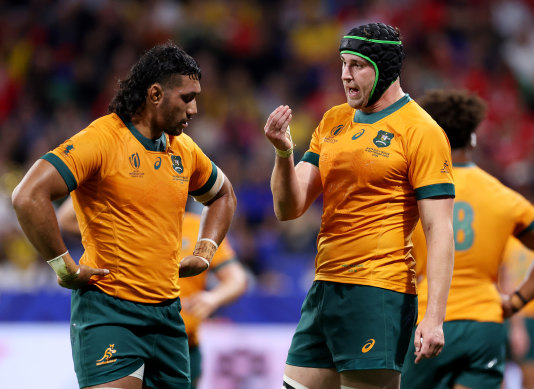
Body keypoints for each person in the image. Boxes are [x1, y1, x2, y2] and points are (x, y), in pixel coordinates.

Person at [11, 42, 237, 389]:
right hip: (110, 311)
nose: (194, 109)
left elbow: (223, 195)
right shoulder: (101, 140)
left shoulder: (184, 150)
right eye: (187, 97)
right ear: (156, 94)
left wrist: (205, 251)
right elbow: (28, 195)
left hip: (168, 316)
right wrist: (64, 267)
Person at [264, 23, 456, 389]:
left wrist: (434, 317)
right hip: (325, 288)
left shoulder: (421, 130)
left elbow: (439, 228)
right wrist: (283, 152)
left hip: (378, 291)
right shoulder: (334, 120)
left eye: (356, 65)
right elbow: (288, 208)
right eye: (342, 63)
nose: (345, 75)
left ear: (384, 69)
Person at [400, 89, 534, 389]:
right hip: (485, 324)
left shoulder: (411, 193)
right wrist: (516, 302)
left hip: (426, 320)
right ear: (473, 139)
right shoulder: (503, 195)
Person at [56, 197, 248, 388]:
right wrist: (101, 181)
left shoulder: (197, 228)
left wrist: (212, 298)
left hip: (182, 345)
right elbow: (66, 220)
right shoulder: (122, 222)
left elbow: (237, 279)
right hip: (126, 335)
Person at [500, 237, 534, 389]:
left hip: (531, 314)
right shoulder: (503, 238)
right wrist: (517, 326)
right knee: (498, 375)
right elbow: (507, 281)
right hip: (505, 313)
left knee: (532, 376)